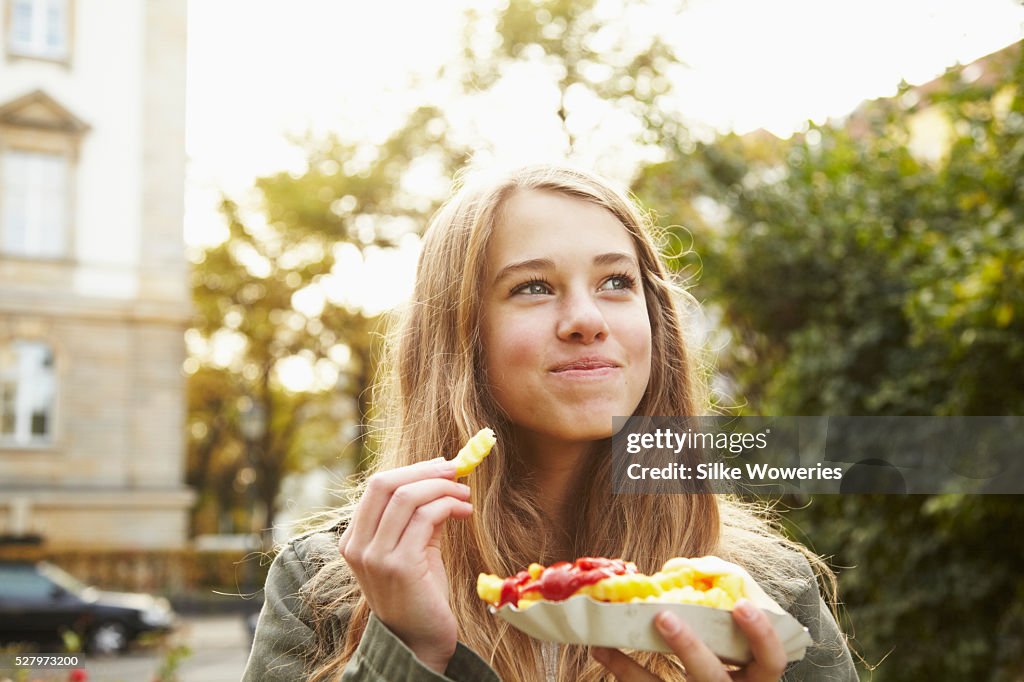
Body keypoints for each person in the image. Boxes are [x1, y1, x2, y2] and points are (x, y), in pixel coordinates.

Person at [242, 165, 857, 681]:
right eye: (533, 287)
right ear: (459, 338)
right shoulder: (327, 588)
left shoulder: (768, 594)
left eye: (617, 282)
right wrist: (405, 651)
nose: (587, 319)